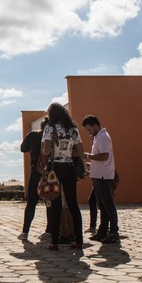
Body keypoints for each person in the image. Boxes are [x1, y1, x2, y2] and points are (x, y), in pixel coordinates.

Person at [41, 103, 85, 251]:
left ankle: (54, 242)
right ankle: (78, 240)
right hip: (69, 167)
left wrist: (54, 152)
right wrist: (67, 153)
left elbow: (46, 151)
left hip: (55, 169)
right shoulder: (73, 129)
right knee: (73, 204)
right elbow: (81, 151)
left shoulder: (49, 128)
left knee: (55, 204)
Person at [82, 115, 120, 243]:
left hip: (104, 176)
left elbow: (104, 156)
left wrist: (88, 156)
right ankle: (102, 230)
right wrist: (92, 164)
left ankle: (114, 231)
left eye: (89, 129)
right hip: (98, 175)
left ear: (95, 126)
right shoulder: (98, 137)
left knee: (108, 205)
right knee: (102, 205)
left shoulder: (103, 137)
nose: (89, 132)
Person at [18, 117, 51, 240]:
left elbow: (23, 148)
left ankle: (25, 232)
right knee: (49, 201)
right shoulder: (54, 138)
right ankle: (49, 231)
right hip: (50, 172)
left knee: (31, 203)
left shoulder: (32, 135)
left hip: (36, 171)